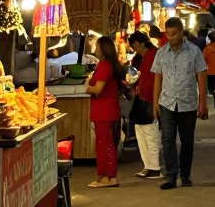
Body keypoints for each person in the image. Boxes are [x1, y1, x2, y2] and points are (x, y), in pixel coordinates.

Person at [152, 16, 208, 189]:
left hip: (188, 103)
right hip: (167, 103)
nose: (171, 38)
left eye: (174, 34)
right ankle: (171, 175)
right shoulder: (161, 52)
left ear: (181, 32)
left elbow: (202, 77)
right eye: (168, 34)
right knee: (167, 140)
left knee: (187, 142)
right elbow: (157, 79)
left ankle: (185, 174)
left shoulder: (194, 52)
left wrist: (202, 103)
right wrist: (155, 103)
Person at [86, 35, 124, 189]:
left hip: (104, 111)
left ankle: (109, 177)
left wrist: (88, 88)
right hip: (109, 110)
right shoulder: (111, 64)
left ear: (102, 48)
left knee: (105, 144)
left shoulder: (104, 65)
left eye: (97, 45)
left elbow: (98, 89)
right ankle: (105, 176)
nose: (95, 48)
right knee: (106, 143)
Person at [128, 31, 161, 179]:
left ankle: (154, 167)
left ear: (138, 43)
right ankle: (148, 165)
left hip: (150, 99)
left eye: (135, 46)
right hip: (143, 97)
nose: (136, 50)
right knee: (141, 132)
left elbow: (154, 80)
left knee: (150, 133)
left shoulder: (153, 55)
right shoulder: (145, 56)